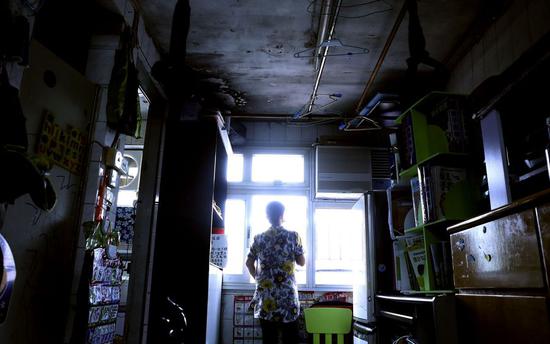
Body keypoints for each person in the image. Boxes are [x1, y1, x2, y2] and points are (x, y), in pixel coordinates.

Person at [246, 201, 305, 344]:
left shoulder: (258, 238)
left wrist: (259, 280)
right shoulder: (293, 236)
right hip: (287, 296)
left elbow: (249, 263)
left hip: (266, 297)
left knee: (269, 339)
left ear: (267, 216)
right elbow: (301, 262)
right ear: (282, 214)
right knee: (290, 338)